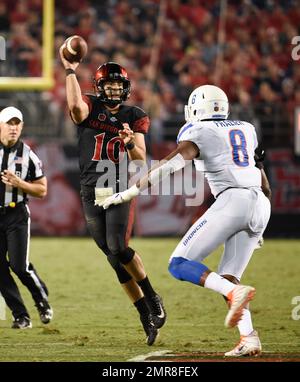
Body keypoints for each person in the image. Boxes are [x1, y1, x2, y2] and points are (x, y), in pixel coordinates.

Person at [100, 85, 272, 356]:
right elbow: (259, 172)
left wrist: (130, 192)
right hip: (260, 203)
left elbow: (169, 165)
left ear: (196, 108)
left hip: (233, 200)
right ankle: (248, 337)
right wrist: (257, 222)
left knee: (178, 265)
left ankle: (236, 296)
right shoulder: (247, 128)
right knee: (228, 279)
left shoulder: (198, 131)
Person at [59, 44, 166, 346]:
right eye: (110, 84)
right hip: (90, 188)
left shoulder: (135, 115)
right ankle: (145, 313)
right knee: (112, 257)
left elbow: (140, 159)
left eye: (119, 85)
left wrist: (130, 142)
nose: (115, 89)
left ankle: (153, 295)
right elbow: (75, 108)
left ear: (126, 87)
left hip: (118, 186)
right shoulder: (89, 106)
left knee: (119, 246)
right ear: (99, 86)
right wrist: (69, 70)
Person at [0, 106, 53, 329]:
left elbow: (42, 190)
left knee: (19, 266)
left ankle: (42, 301)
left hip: (16, 214)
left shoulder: (28, 154)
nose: (13, 128)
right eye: (9, 123)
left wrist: (19, 183)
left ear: (21, 127)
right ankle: (21, 315)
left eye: (17, 124)